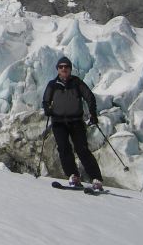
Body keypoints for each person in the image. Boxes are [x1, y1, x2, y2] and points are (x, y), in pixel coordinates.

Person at [41, 56, 104, 191]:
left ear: (70, 69)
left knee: (82, 149)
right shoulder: (52, 85)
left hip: (76, 122)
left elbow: (89, 97)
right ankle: (73, 176)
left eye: (66, 66)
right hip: (58, 123)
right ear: (57, 69)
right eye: (61, 67)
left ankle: (96, 178)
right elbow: (46, 100)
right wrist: (47, 109)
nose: (64, 69)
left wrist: (93, 114)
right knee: (64, 149)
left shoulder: (77, 82)